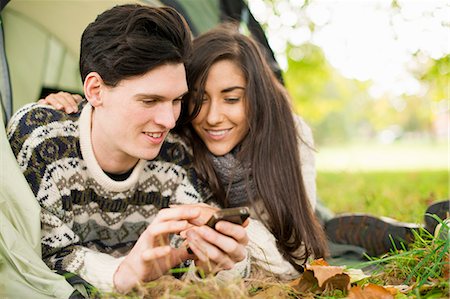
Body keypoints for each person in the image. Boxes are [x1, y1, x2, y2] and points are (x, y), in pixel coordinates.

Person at [42, 24, 329, 280]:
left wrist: (224, 222)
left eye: (231, 98)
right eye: (197, 99)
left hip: (278, 229)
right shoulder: (174, 137)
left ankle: (338, 224)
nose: (214, 117)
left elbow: (301, 257)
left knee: (324, 226)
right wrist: (86, 108)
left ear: (257, 98)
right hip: (250, 248)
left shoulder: (288, 134)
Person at [7, 5, 249, 294]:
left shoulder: (176, 153)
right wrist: (121, 273)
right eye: (149, 101)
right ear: (95, 90)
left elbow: (191, 258)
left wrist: (216, 261)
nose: (169, 120)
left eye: (176, 101)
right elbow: (31, 256)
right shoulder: (41, 139)